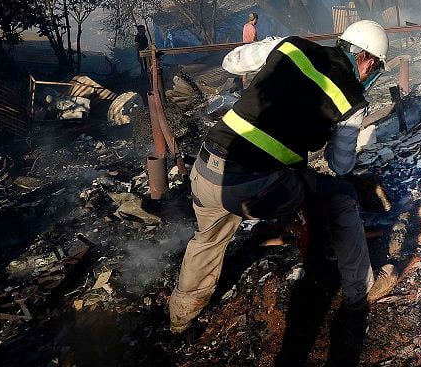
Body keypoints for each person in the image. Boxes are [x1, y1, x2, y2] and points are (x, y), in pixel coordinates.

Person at [169, 20, 399, 333]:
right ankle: (360, 293)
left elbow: (231, 62)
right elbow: (341, 166)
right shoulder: (352, 102)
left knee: (207, 237)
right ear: (368, 60)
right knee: (341, 195)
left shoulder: (292, 45)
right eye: (375, 70)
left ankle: (180, 316)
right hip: (254, 188)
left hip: (207, 168)